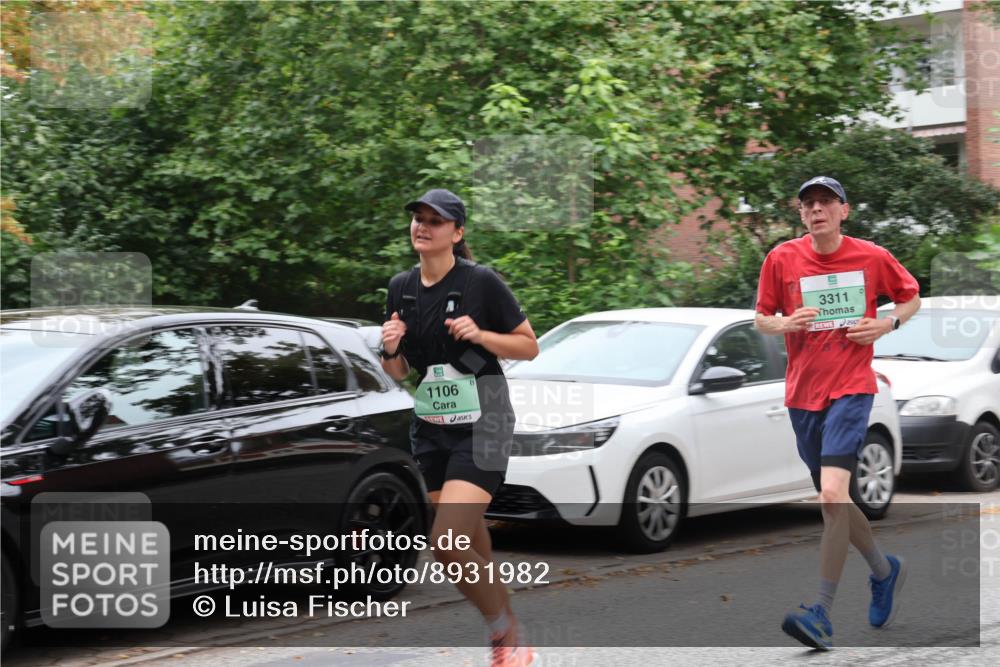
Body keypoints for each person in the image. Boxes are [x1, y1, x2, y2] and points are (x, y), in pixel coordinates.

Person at [755, 176, 920, 650]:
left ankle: (821, 613)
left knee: (831, 495)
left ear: (844, 210)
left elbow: (910, 297)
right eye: (808, 204)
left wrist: (886, 323)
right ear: (801, 213)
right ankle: (885, 573)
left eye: (826, 201)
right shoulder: (781, 258)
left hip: (851, 387)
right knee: (838, 504)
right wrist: (784, 322)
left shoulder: (871, 256)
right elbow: (761, 317)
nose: (817, 209)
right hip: (802, 395)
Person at [380, 188, 541, 667]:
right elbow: (399, 374)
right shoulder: (400, 288)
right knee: (467, 540)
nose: (423, 227)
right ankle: (509, 631)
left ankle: (502, 631)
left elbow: (528, 346)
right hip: (432, 425)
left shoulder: (481, 283)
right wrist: (390, 348)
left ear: (458, 232)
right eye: (418, 219)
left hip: (485, 417)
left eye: (436, 220)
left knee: (446, 542)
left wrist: (480, 335)